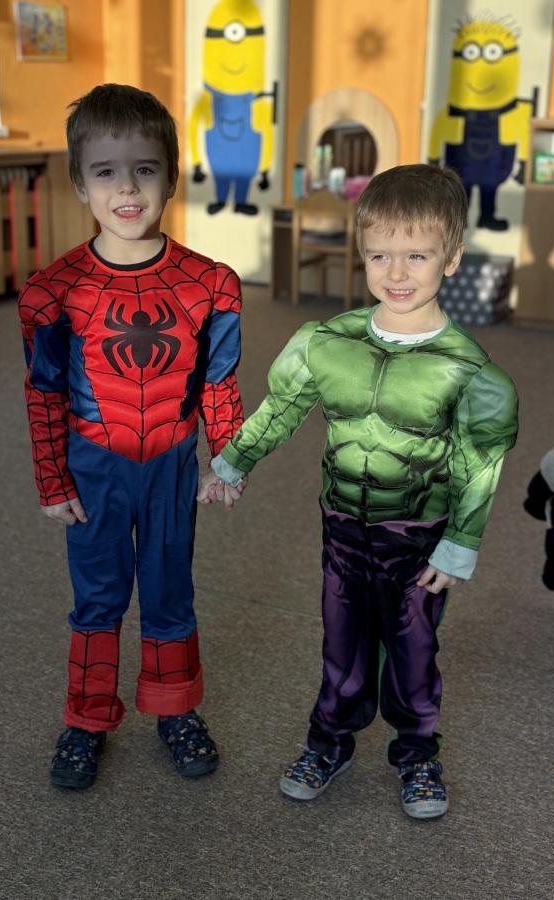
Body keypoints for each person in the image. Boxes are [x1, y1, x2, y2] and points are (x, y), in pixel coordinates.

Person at [198, 164, 519, 819]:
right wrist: (232, 462)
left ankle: (418, 755)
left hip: (418, 537)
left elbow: (478, 464)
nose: (396, 273)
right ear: (362, 252)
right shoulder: (326, 342)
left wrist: (459, 543)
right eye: (379, 255)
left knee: (412, 653)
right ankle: (329, 744)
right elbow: (280, 409)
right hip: (342, 527)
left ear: (452, 257)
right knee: (340, 645)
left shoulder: (468, 372)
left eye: (416, 256)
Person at [18, 83, 246, 790]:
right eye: (106, 171)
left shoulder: (210, 284)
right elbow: (44, 391)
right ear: (79, 182)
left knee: (170, 590)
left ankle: (175, 710)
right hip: (94, 465)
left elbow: (219, 380)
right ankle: (87, 716)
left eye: (145, 169)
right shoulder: (52, 292)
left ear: (171, 178)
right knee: (98, 596)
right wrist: (53, 479)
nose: (126, 187)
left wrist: (227, 458)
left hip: (172, 461)